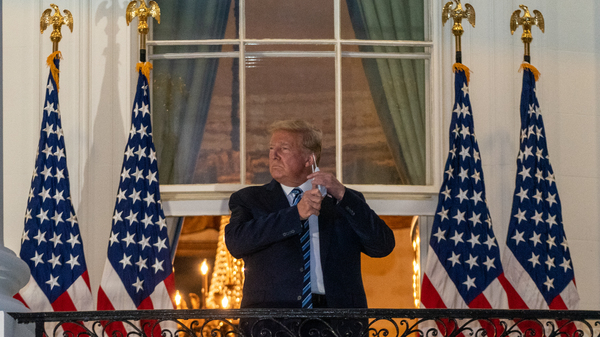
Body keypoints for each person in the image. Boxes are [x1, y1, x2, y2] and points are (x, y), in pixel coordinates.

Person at [225, 120, 395, 334]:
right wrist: (295, 214)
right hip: (270, 324)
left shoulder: (343, 201)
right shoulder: (249, 199)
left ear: (309, 159)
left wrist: (344, 195)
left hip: (336, 323)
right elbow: (236, 243)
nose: (273, 155)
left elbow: (382, 246)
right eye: (271, 148)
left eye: (284, 149)